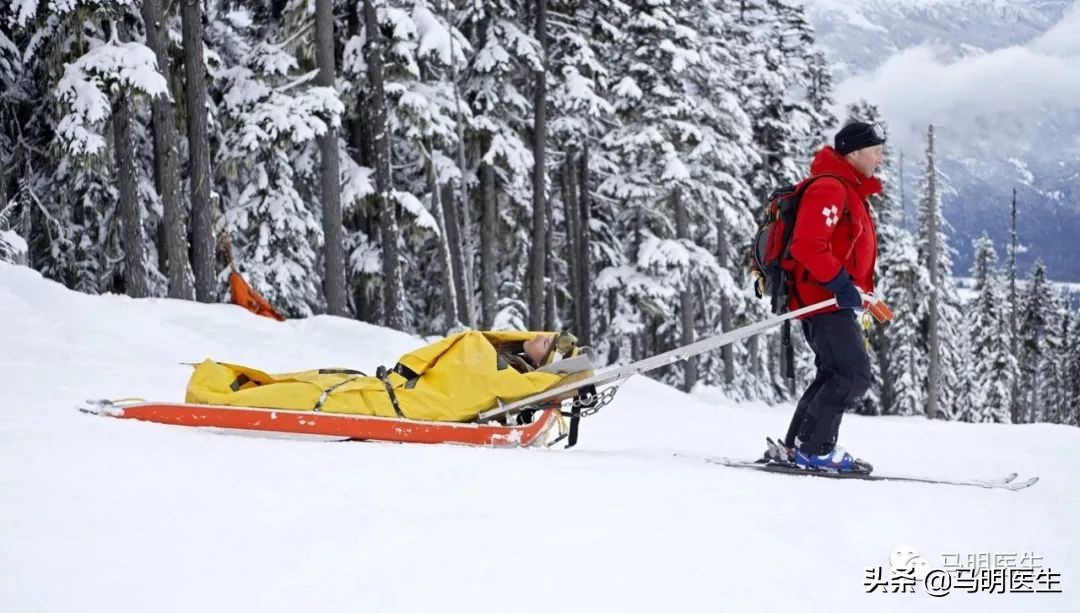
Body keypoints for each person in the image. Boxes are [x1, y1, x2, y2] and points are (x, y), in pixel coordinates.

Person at [781, 120, 885, 472]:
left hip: (831, 298)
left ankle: (797, 446)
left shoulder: (846, 188)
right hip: (824, 298)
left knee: (834, 372)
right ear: (853, 153)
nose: (880, 158)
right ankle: (815, 450)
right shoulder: (830, 187)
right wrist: (841, 285)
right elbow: (808, 245)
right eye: (875, 151)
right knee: (852, 375)